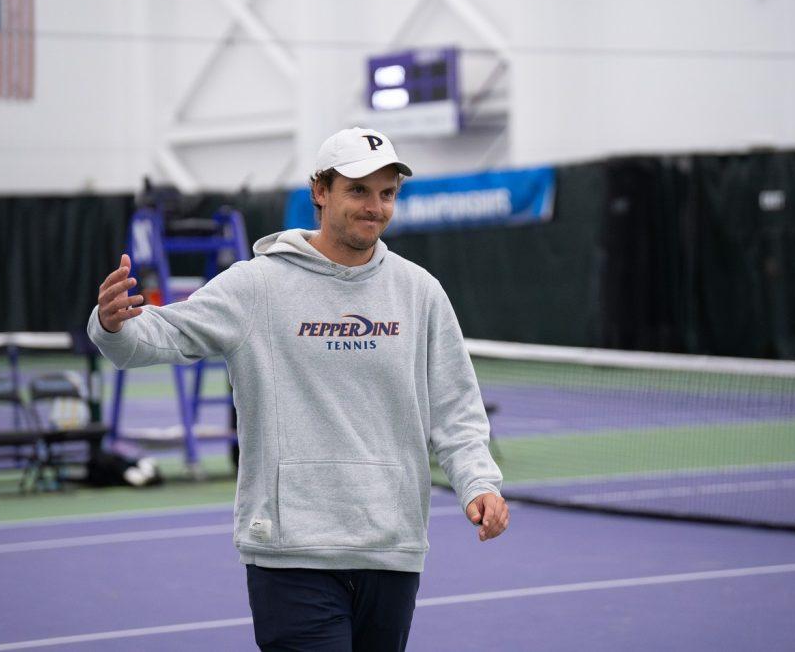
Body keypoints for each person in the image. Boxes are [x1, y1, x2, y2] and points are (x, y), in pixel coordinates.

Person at [88, 127, 509, 651]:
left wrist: (479, 483)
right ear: (320, 191)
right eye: (358, 190)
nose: (374, 207)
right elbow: (161, 336)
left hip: (392, 550)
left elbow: (457, 410)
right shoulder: (257, 285)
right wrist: (113, 326)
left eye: (386, 193)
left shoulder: (420, 293)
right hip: (290, 554)